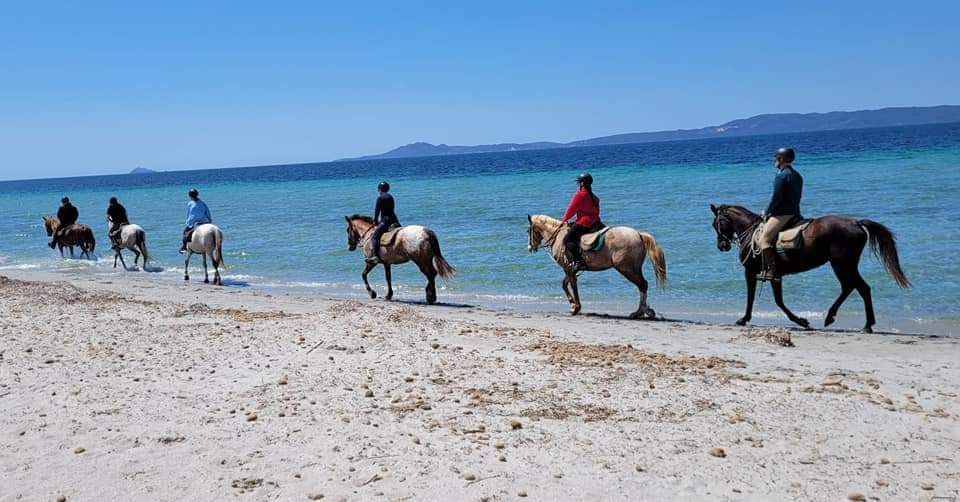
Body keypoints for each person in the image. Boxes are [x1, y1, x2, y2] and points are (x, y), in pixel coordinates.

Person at [758, 147, 804, 281]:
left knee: (764, 240)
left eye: (776, 158)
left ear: (781, 159)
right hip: (795, 213)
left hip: (783, 214)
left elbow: (776, 198)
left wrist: (767, 213)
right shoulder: (797, 175)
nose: (775, 161)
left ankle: (773, 271)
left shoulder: (781, 176)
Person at [561, 173, 603, 271]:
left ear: (582, 184)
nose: (577, 185)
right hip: (596, 222)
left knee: (568, 240)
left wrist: (564, 220)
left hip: (584, 223)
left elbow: (571, 209)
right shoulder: (594, 197)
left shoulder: (580, 195)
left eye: (578, 183)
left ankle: (579, 262)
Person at [366, 181, 400, 265]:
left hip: (386, 221)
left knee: (375, 237)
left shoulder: (380, 198)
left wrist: (375, 221)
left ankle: (376, 257)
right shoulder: (390, 197)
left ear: (379, 189)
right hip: (394, 220)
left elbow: (377, 210)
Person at [180, 188, 212, 254]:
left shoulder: (190, 204)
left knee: (185, 233)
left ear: (190, 196)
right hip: (205, 222)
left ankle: (184, 247)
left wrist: (188, 223)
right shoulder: (203, 203)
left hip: (195, 223)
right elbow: (208, 213)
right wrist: (210, 222)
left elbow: (190, 215)